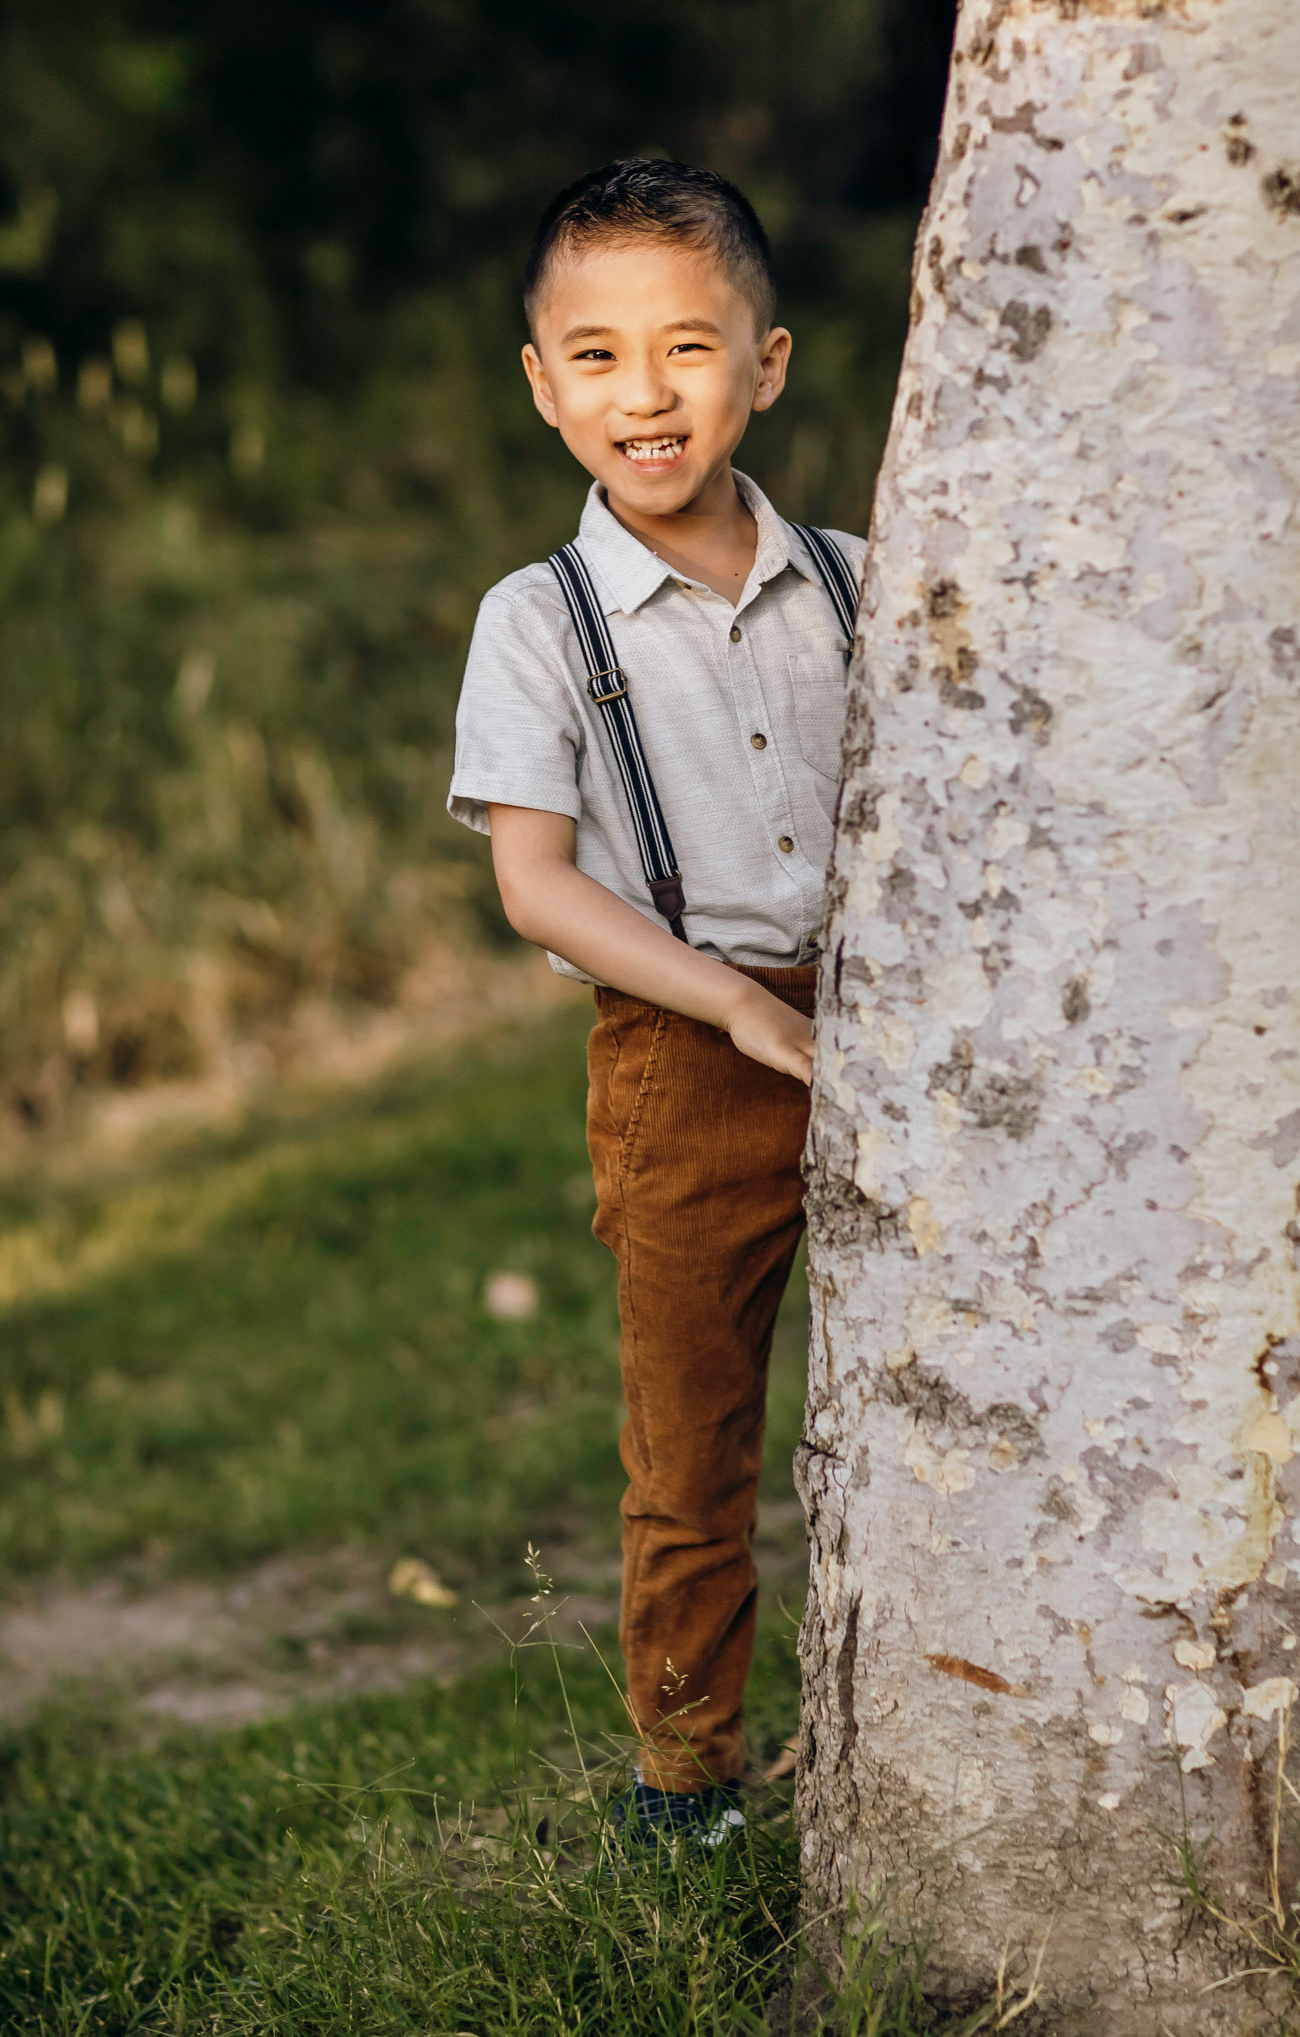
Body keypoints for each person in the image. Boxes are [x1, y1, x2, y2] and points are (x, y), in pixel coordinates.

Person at [448, 157, 864, 1848]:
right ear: (544, 388)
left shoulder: (856, 577)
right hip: (685, 1061)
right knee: (692, 1452)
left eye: (688, 348)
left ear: (767, 364)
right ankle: (688, 1784)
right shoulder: (535, 625)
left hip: (894, 1021)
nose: (647, 392)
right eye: (600, 356)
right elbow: (535, 883)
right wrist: (736, 1007)